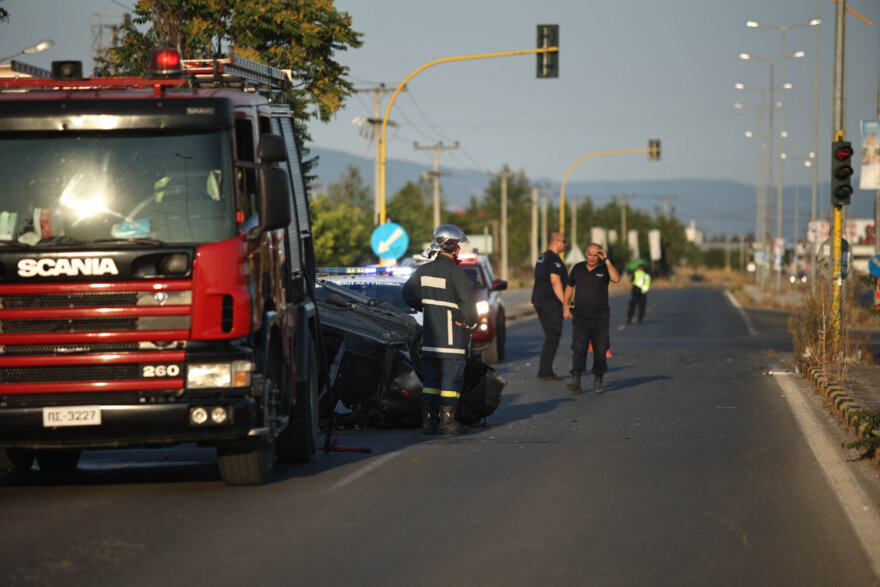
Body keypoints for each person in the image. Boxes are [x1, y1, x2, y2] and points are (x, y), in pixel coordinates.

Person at [403, 224, 478, 435]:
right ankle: (447, 423)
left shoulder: (423, 270)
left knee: (431, 383)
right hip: (452, 341)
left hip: (430, 342)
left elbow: (408, 294)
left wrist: (427, 306)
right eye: (459, 246)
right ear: (452, 246)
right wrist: (468, 325)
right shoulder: (455, 272)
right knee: (451, 382)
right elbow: (469, 304)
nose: (460, 250)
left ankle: (428, 423)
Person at [563, 242, 620, 394]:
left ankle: (598, 379)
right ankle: (576, 380)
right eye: (590, 254)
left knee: (601, 350)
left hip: (600, 318)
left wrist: (606, 260)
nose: (592, 258)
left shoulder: (604, 268)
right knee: (578, 349)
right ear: (585, 253)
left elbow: (616, 279)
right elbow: (569, 286)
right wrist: (565, 305)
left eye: (596, 255)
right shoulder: (578, 268)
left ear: (600, 255)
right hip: (580, 317)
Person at [531, 232, 568, 381]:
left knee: (550, 336)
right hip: (550, 302)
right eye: (564, 241)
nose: (565, 244)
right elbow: (555, 281)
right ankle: (545, 372)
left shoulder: (542, 257)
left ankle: (546, 370)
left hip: (539, 299)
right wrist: (565, 303)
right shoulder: (554, 259)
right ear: (556, 242)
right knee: (553, 335)